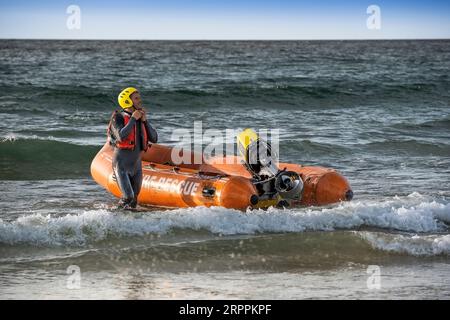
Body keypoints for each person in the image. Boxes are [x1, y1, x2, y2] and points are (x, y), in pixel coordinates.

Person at [108, 87, 158, 209]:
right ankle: (112, 217)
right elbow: (120, 136)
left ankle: (129, 226)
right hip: (121, 164)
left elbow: (154, 138)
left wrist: (145, 121)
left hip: (136, 166)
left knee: (134, 200)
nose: (139, 101)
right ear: (127, 101)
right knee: (128, 197)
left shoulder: (140, 119)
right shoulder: (118, 117)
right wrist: (132, 119)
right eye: (136, 98)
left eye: (139, 98)